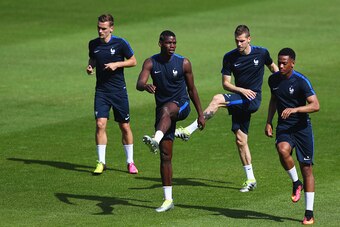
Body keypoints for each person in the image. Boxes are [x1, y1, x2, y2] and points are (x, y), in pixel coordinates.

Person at [175, 25, 279, 192]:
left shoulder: (262, 53)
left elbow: (273, 68)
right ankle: (250, 179)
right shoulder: (229, 57)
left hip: (252, 100)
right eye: (237, 41)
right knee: (240, 140)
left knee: (217, 99)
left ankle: (189, 130)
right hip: (240, 97)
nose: (239, 44)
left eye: (242, 41)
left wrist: (282, 82)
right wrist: (241, 90)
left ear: (249, 39)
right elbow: (226, 83)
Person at [136, 30, 205, 212]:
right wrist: (146, 86)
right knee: (166, 156)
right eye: (168, 43)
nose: (172, 46)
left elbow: (192, 90)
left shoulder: (184, 63)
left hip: (181, 106)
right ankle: (168, 200)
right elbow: (139, 83)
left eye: (174, 43)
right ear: (160, 43)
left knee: (168, 109)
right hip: (163, 115)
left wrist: (200, 114)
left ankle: (155, 140)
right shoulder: (151, 62)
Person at [265, 48, 320, 225]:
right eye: (279, 62)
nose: (280, 65)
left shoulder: (301, 81)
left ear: (292, 63)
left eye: (284, 63)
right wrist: (268, 121)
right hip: (284, 126)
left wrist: (295, 109)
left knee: (307, 168)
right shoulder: (273, 79)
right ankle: (296, 183)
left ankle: (309, 213)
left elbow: (315, 105)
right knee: (282, 150)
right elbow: (274, 99)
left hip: (302, 128)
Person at [86, 14, 138, 175]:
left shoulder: (121, 43)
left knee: (124, 126)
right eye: (98, 28)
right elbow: (93, 58)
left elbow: (133, 61)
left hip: (118, 91)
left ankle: (130, 162)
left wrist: (117, 64)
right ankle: (101, 162)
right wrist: (90, 66)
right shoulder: (93, 44)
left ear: (111, 28)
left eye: (103, 29)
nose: (100, 31)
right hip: (101, 91)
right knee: (100, 124)